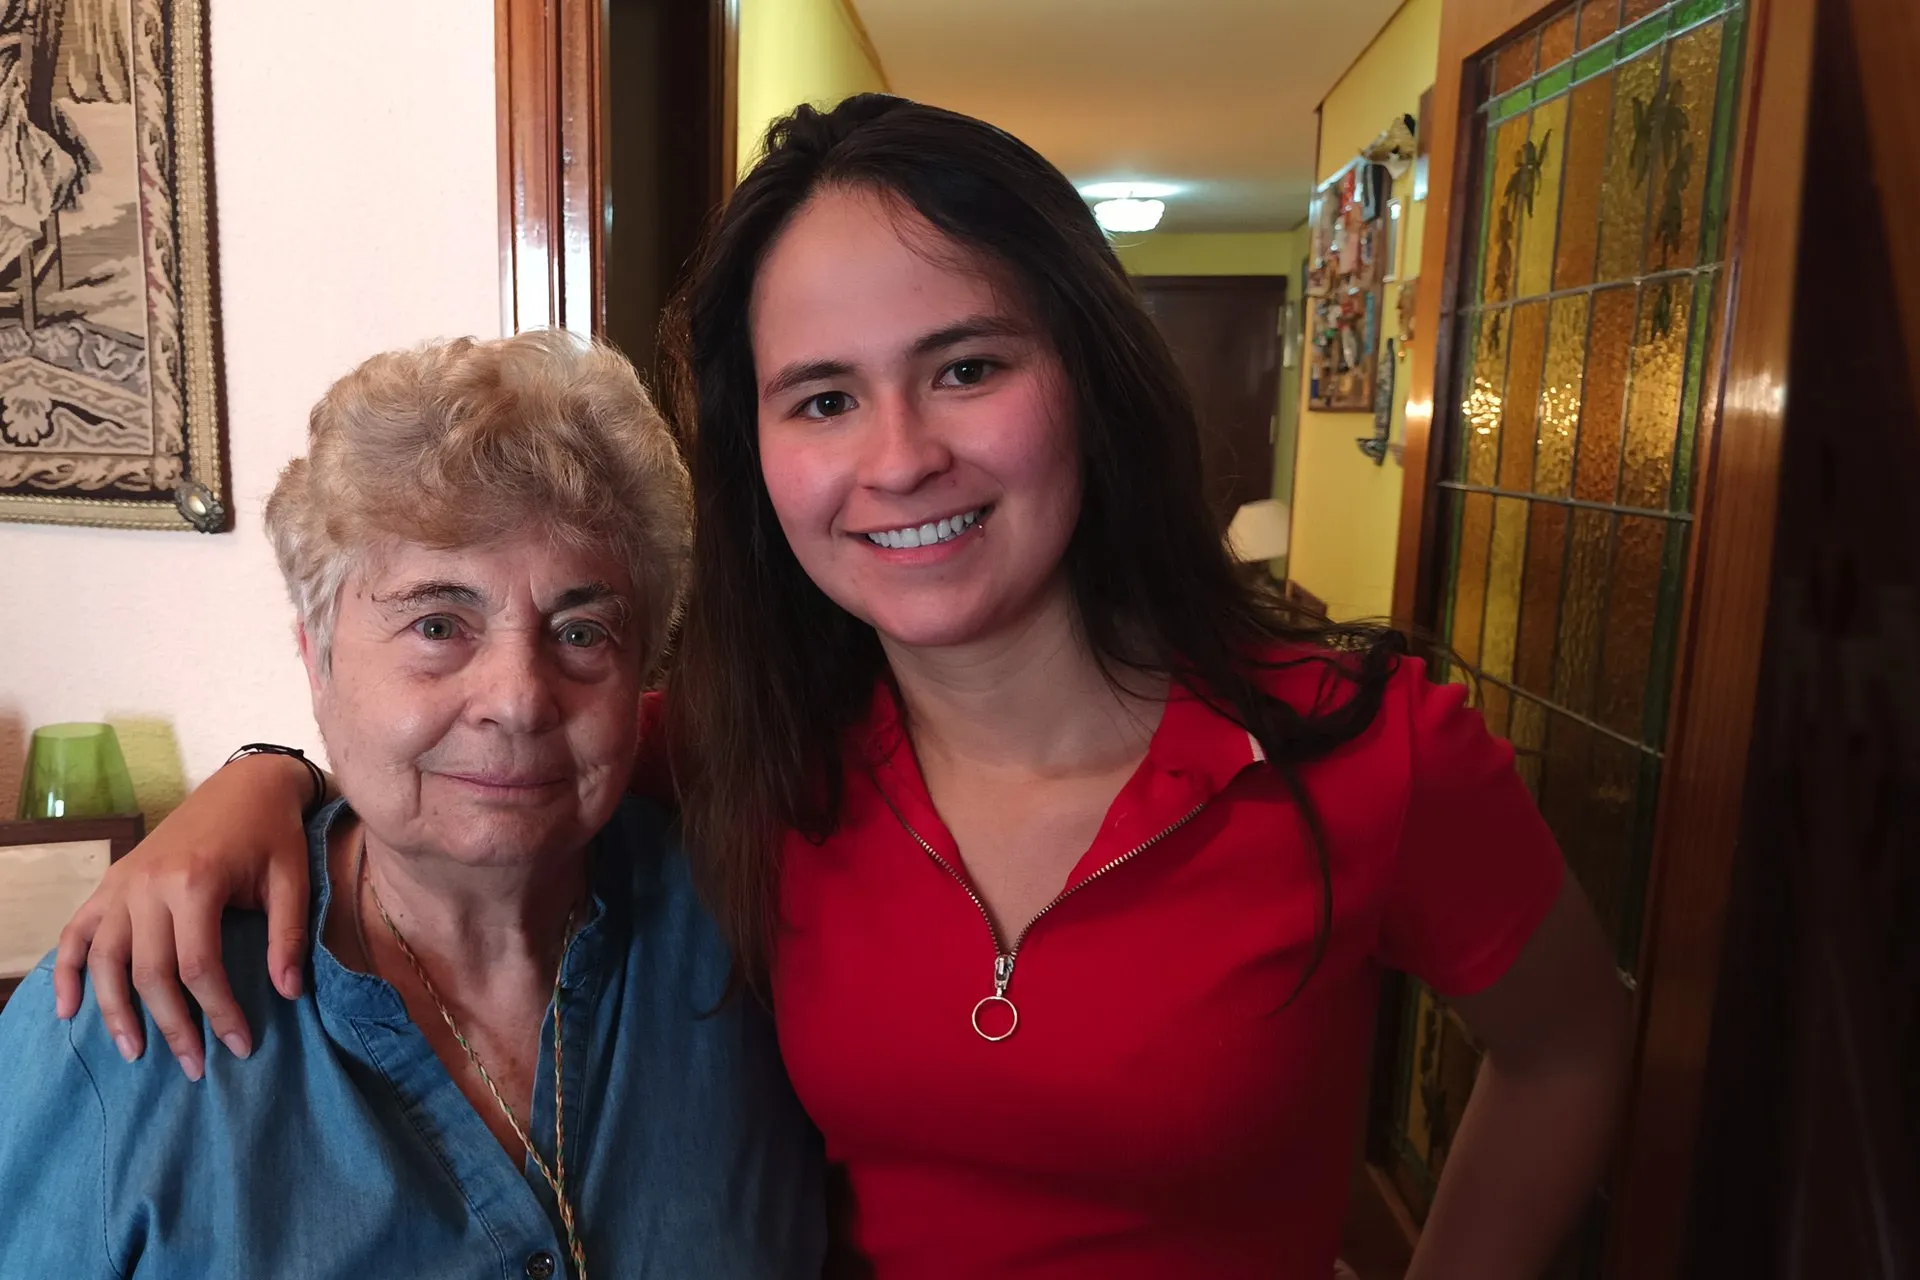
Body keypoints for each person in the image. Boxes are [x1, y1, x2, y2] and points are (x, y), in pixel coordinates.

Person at [51, 96, 1632, 1279]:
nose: (899, 459)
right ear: (762, 454)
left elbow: (1572, 1046)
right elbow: (492, 762)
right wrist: (257, 777)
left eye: (966, 366)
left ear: (1085, 375)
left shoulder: (1363, 753)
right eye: (822, 397)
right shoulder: (751, 760)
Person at [0, 331, 824, 1277]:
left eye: (583, 631)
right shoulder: (122, 1016)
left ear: (642, 669)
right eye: (438, 624)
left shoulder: (754, 939)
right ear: (318, 660)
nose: (518, 698)